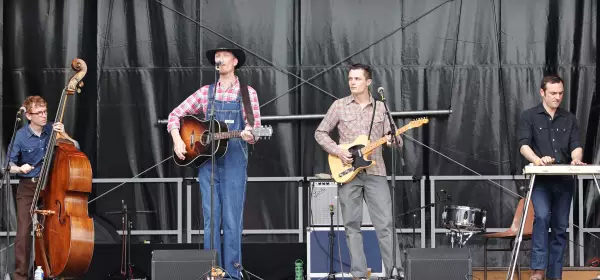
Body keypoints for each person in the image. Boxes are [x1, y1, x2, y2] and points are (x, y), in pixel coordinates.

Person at [167, 45, 261, 279]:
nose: (219, 60)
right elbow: (174, 115)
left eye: (224, 56)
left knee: (232, 220)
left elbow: (254, 129)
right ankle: (212, 273)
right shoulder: (205, 92)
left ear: (235, 61)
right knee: (211, 219)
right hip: (207, 162)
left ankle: (233, 273)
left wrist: (251, 134)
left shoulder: (247, 93)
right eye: (217, 57)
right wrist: (178, 140)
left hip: (234, 161)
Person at [314, 63, 404, 279]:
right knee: (351, 225)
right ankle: (359, 273)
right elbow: (320, 132)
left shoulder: (382, 108)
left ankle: (394, 271)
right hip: (347, 172)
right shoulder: (339, 105)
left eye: (357, 79)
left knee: (385, 224)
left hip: (376, 171)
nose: (352, 82)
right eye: (350, 79)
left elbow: (394, 141)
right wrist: (338, 151)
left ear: (368, 82)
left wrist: (394, 140)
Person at [517, 75, 585, 280]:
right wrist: (538, 160)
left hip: (564, 181)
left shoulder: (569, 118)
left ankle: (555, 276)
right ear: (542, 93)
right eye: (553, 93)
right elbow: (523, 145)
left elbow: (576, 146)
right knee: (543, 216)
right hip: (541, 181)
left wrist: (575, 159)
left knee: (560, 226)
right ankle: (538, 270)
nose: (558, 97)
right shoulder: (529, 116)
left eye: (561, 93)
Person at [7, 95, 79, 280]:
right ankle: (21, 275)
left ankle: (50, 271)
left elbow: (76, 148)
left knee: (51, 229)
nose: (43, 116)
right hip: (28, 186)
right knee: (23, 231)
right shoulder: (21, 135)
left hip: (51, 185)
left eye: (45, 111)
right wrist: (19, 168)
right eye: (38, 113)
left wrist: (65, 135)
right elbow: (8, 164)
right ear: (28, 116)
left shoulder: (53, 129)